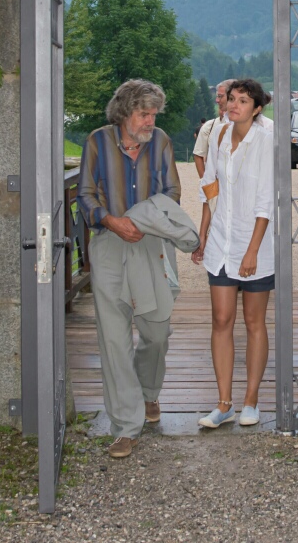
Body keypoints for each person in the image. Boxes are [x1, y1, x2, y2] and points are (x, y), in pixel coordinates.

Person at [78, 79, 198, 459]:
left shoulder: (160, 141)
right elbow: (84, 194)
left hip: (152, 244)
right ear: (125, 112)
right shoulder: (97, 141)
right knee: (113, 340)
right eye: (144, 114)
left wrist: (140, 221)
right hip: (110, 245)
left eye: (153, 114)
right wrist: (113, 222)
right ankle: (125, 427)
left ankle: (149, 392)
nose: (150, 121)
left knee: (156, 330)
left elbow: (172, 193)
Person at [192, 79, 274, 428]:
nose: (233, 105)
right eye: (232, 99)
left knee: (254, 322)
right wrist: (203, 233)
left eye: (243, 101)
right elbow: (210, 186)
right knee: (221, 320)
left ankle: (251, 401)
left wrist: (252, 250)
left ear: (257, 108)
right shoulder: (220, 134)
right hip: (222, 243)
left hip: (254, 243)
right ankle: (224, 403)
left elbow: (266, 200)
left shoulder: (266, 138)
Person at [192, 80, 231, 178]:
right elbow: (198, 154)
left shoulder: (247, 126)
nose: (217, 100)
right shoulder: (209, 126)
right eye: (217, 96)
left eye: (220, 96)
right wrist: (205, 183)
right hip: (216, 184)